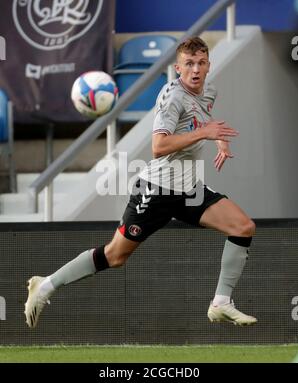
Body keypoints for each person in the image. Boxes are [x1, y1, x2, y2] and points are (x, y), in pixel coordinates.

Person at [24, 36, 257, 328]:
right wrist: (204, 134)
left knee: (243, 227)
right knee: (115, 255)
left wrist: (220, 139)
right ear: (177, 67)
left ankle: (221, 303)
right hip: (157, 190)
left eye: (200, 63)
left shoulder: (208, 90)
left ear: (208, 65)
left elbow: (202, 121)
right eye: (189, 64)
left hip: (188, 189)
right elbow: (158, 146)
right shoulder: (172, 98)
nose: (195, 69)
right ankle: (45, 285)